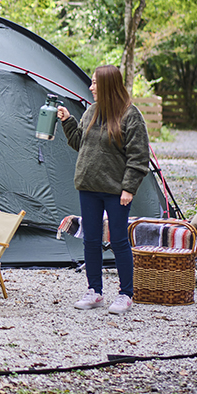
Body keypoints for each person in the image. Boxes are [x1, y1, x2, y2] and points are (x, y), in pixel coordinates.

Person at [56, 65, 150, 316]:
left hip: (115, 191)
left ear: (108, 85)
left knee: (119, 241)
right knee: (91, 240)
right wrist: (68, 121)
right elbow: (80, 143)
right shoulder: (91, 111)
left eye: (95, 83)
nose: (91, 87)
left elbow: (139, 157)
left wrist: (129, 188)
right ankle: (94, 291)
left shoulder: (130, 116)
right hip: (88, 187)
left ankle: (125, 294)